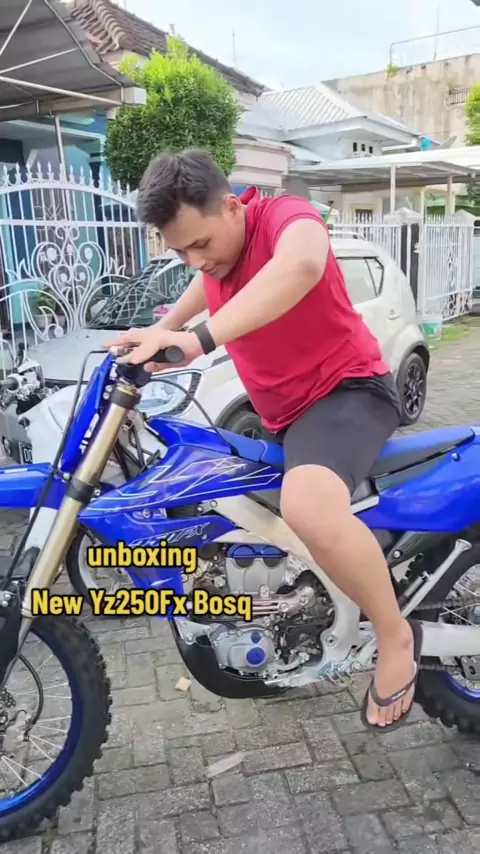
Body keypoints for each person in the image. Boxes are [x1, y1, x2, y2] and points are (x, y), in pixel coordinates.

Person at [107, 149, 423, 732]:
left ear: (232, 206)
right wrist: (161, 330)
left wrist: (197, 340)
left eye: (201, 243)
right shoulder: (217, 257)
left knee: (307, 506)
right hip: (283, 415)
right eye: (180, 252)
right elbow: (207, 282)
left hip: (347, 392)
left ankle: (394, 634)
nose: (195, 259)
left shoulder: (285, 217)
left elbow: (300, 267)